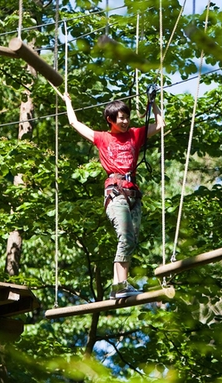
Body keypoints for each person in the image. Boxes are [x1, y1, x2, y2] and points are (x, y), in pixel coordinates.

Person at [63, 92, 165, 299]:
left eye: (127, 117)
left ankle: (119, 286)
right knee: (125, 237)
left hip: (133, 193)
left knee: (132, 240)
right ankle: (120, 285)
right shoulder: (103, 138)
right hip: (115, 192)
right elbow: (74, 122)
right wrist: (68, 102)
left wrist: (153, 105)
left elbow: (160, 125)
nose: (125, 122)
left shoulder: (135, 135)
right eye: (121, 118)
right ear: (110, 120)